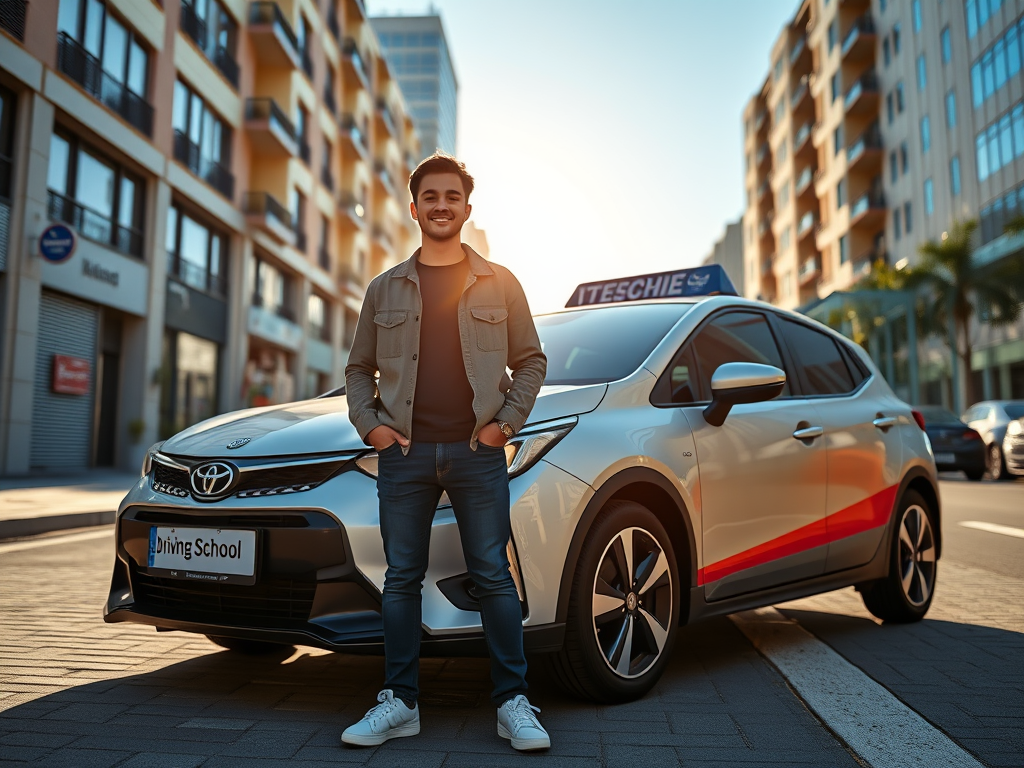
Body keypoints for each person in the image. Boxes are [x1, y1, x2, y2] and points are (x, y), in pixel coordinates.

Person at [342, 152, 550, 751]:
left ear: (466, 207)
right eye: (429, 197)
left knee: (492, 574)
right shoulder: (384, 289)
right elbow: (358, 370)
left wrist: (503, 427)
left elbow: (531, 361)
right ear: (414, 208)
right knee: (401, 578)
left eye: (451, 197)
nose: (441, 206)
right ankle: (399, 703)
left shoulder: (500, 282)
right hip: (404, 456)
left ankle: (514, 702)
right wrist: (373, 429)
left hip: (477, 453)